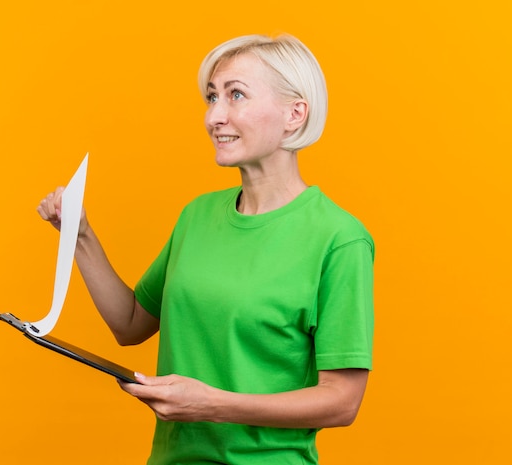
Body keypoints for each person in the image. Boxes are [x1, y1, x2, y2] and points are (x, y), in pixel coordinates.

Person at [38, 33, 374, 465]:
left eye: (236, 95)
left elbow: (342, 402)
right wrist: (79, 235)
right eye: (212, 97)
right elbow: (130, 324)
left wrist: (212, 404)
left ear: (295, 114)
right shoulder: (197, 216)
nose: (214, 116)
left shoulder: (339, 239)